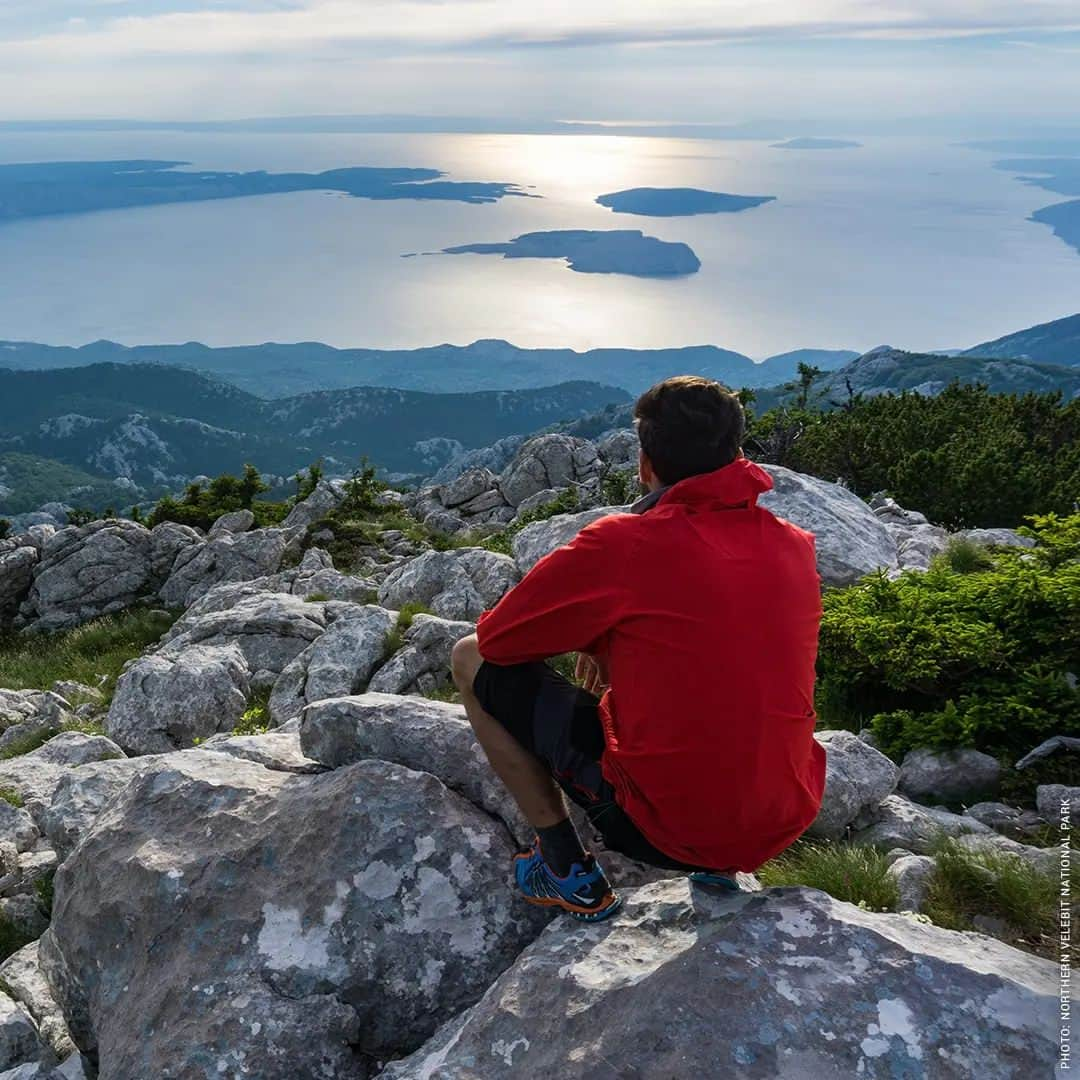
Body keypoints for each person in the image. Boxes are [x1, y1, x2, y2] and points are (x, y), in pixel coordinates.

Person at [451, 375, 825, 921]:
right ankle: (719, 869)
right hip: (783, 817)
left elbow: (499, 640)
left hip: (667, 831)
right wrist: (607, 639)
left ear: (646, 467)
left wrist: (592, 630)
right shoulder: (794, 544)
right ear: (737, 455)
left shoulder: (626, 543)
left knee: (468, 658)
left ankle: (564, 869)